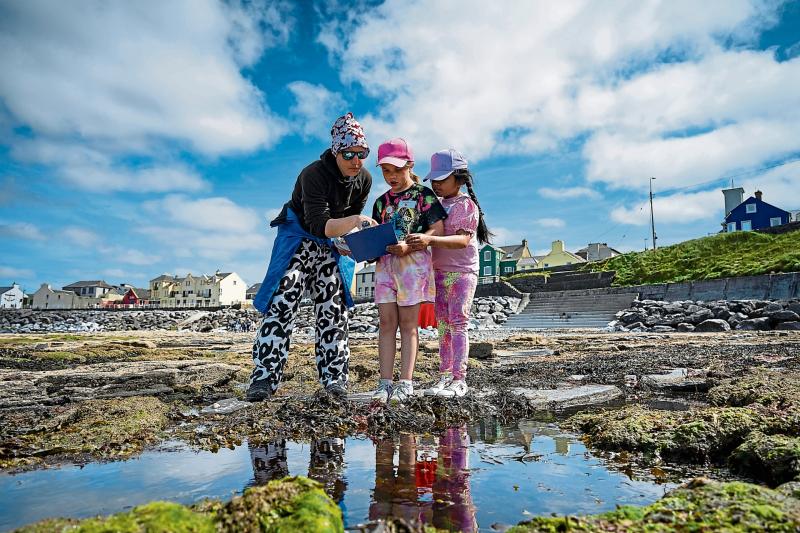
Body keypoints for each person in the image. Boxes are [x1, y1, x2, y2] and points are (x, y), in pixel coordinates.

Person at [247, 112, 376, 402]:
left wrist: (350, 241)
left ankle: (335, 379)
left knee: (334, 308)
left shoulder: (363, 179)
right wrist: (356, 220)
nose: (356, 160)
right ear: (336, 151)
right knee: (283, 300)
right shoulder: (312, 174)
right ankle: (264, 379)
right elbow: (321, 225)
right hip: (300, 237)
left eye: (362, 153)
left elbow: (340, 230)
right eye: (349, 154)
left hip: (332, 242)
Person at [406, 149, 491, 398]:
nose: (437, 184)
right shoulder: (436, 206)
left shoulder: (466, 205)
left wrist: (428, 240)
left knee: (459, 323)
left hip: (463, 272)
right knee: (442, 324)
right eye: (434, 180)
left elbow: (463, 240)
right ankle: (444, 375)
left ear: (460, 178)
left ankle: (459, 379)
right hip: (439, 272)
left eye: (442, 179)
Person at [370, 138, 446, 404]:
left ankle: (406, 383)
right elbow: (376, 233)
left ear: (409, 165)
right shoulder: (380, 203)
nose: (391, 176)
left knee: (408, 325)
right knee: (386, 324)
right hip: (384, 267)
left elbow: (437, 229)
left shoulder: (423, 195)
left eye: (396, 170)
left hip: (412, 266)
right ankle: (384, 383)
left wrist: (417, 241)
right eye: (385, 171)